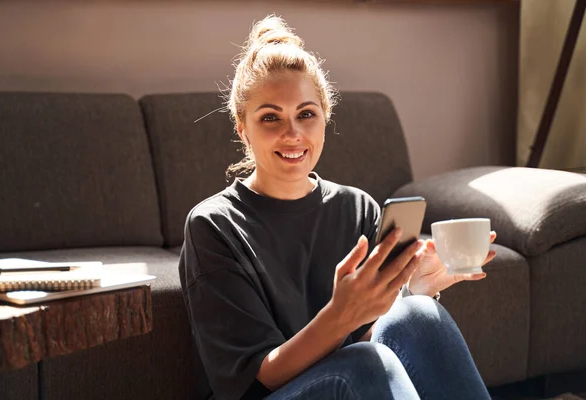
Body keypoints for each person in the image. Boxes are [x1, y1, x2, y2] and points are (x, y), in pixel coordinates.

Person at [178, 15, 497, 400]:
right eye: (270, 118)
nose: (292, 133)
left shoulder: (356, 208)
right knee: (361, 365)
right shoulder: (214, 226)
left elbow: (371, 335)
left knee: (418, 317)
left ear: (325, 118)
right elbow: (254, 379)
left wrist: (414, 290)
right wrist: (338, 315)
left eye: (306, 114)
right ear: (242, 128)